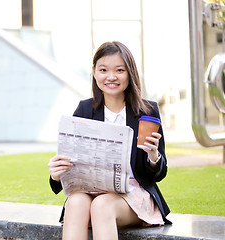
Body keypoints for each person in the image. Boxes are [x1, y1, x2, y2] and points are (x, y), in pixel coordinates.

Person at [48, 41, 171, 240]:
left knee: (101, 205)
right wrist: (56, 174)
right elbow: (71, 162)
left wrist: (153, 156)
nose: (111, 77)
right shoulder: (85, 110)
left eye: (119, 70)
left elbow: (158, 173)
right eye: (103, 69)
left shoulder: (146, 112)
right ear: (94, 72)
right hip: (90, 191)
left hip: (132, 195)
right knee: (75, 202)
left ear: (130, 73)